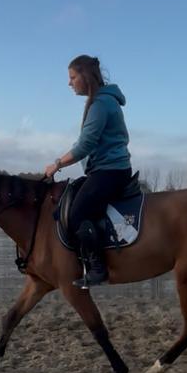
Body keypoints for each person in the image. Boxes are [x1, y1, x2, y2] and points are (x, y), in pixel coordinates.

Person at [45, 54, 132, 288]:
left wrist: (57, 164)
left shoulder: (101, 104)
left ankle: (97, 268)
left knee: (77, 214)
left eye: (73, 77)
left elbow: (84, 145)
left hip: (110, 171)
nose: (69, 83)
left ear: (85, 76)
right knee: (67, 203)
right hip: (104, 169)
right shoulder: (100, 101)